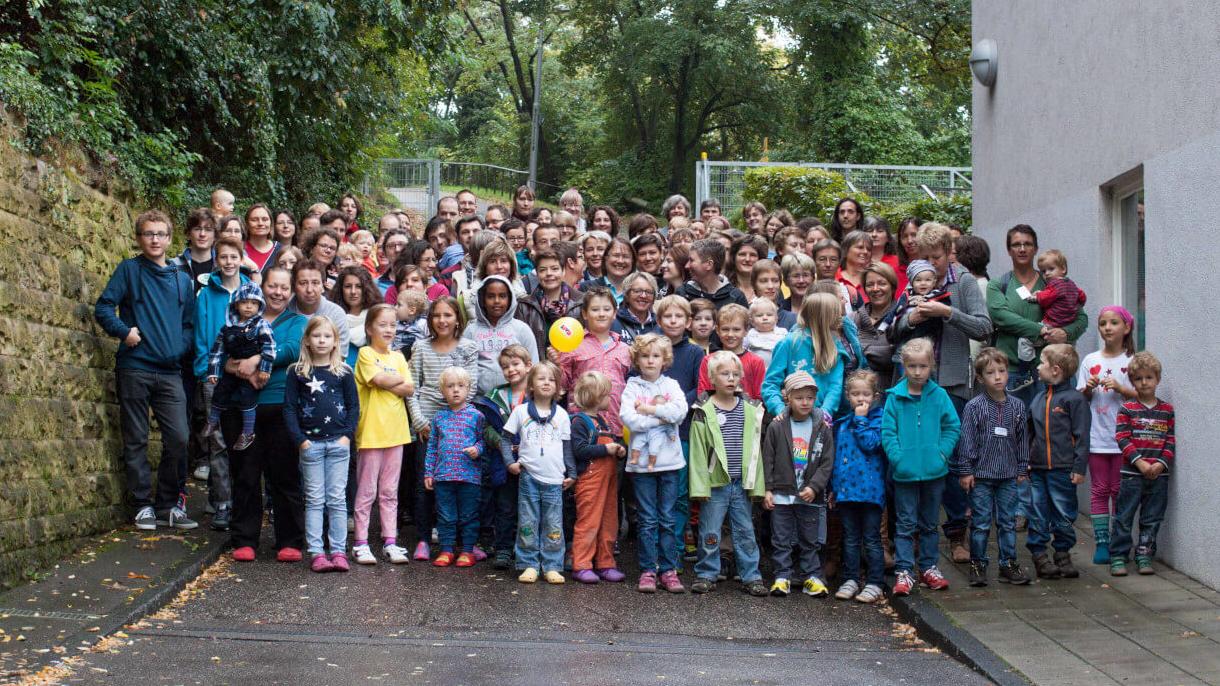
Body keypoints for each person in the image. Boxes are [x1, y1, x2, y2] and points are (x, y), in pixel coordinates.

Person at [94, 210, 196, 531]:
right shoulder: (130, 269)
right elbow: (103, 307)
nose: (155, 239)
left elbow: (189, 326)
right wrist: (125, 332)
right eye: (148, 234)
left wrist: (177, 349)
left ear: (170, 239)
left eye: (161, 234)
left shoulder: (182, 279)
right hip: (135, 367)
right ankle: (141, 505)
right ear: (139, 238)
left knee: (179, 438)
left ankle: (167, 504)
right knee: (136, 438)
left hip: (170, 372)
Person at [221, 266, 306, 562]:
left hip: (280, 406)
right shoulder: (237, 319)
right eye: (273, 286)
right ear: (261, 287)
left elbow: (292, 350)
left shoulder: (298, 321)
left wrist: (256, 358)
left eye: (284, 288)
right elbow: (223, 353)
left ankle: (290, 540)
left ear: (291, 291)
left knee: (284, 475)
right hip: (240, 406)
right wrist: (234, 367)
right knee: (245, 473)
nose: (278, 293)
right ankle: (245, 539)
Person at [882, 338, 961, 597]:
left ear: (931, 366)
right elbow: (888, 432)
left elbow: (952, 427)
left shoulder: (939, 396)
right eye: (912, 366)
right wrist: (898, 458)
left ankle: (928, 566)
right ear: (904, 366)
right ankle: (904, 570)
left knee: (929, 523)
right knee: (905, 524)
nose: (917, 372)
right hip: (904, 474)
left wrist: (941, 453)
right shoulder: (894, 398)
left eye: (923, 366)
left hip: (934, 473)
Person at [689, 351, 768, 596]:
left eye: (735, 374)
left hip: (741, 482)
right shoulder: (703, 410)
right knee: (710, 531)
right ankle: (706, 573)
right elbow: (698, 452)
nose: (731, 378)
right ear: (712, 378)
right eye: (724, 374)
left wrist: (757, 486)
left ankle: (751, 575)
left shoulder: (750, 409)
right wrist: (700, 487)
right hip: (715, 484)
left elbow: (756, 451)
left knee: (745, 531)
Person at [283, 317, 358, 573]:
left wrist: (347, 435)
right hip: (310, 445)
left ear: (336, 341)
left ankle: (338, 551)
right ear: (307, 340)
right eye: (317, 336)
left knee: (337, 499)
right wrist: (300, 441)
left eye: (327, 336)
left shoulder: (344, 372)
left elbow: (353, 406)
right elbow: (290, 408)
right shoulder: (297, 372)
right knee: (315, 499)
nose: (322, 341)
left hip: (339, 443)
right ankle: (317, 552)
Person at [407, 297, 479, 560]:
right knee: (425, 482)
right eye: (436, 315)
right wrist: (419, 422)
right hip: (427, 424)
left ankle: (462, 542)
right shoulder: (421, 348)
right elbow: (411, 388)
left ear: (458, 318)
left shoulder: (468, 348)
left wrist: (455, 419)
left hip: (459, 427)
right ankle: (424, 538)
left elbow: (470, 387)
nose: (442, 320)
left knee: (461, 484)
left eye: (448, 315)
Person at [987, 225, 1088, 407]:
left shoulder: (1055, 283)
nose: (1023, 249)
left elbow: (1082, 319)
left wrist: (1065, 333)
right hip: (1013, 373)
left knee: (1056, 431)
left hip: (1054, 371)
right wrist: (1041, 330)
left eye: (1028, 244)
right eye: (1017, 244)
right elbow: (1001, 316)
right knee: (1015, 431)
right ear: (1009, 250)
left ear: (1036, 249)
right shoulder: (998, 285)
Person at [955, 348, 1032, 587]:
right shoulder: (974, 407)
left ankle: (1008, 564)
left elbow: (1022, 439)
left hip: (1008, 475)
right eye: (991, 373)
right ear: (980, 378)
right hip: (981, 476)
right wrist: (966, 470)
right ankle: (978, 564)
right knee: (981, 523)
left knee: (1007, 522)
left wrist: (1022, 468)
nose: (998, 377)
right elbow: (966, 440)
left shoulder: (1018, 407)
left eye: (1002, 371)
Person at [620, 334, 688, 593]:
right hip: (642, 467)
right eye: (645, 356)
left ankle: (669, 569)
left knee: (668, 518)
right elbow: (629, 419)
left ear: (665, 359)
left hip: (670, 463)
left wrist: (648, 411)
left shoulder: (671, 385)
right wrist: (662, 419)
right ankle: (648, 569)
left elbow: (680, 412)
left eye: (656, 356)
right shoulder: (633, 387)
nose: (650, 360)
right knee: (647, 519)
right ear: (637, 359)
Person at [352, 304, 414, 565]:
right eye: (383, 324)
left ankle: (390, 540)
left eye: (392, 325)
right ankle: (361, 543)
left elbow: (409, 388)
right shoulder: (365, 354)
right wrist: (394, 381)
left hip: (396, 432)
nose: (389, 329)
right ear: (369, 328)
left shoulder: (399, 357)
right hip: (371, 432)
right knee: (367, 491)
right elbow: (378, 381)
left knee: (390, 491)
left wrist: (394, 381)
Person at [502, 362, 576, 584]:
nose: (546, 382)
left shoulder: (562, 415)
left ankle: (552, 565)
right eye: (541, 378)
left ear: (558, 387)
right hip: (529, 477)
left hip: (555, 479)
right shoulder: (521, 411)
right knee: (528, 520)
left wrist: (571, 473)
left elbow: (567, 447)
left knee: (553, 523)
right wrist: (509, 463)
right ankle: (529, 564)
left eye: (551, 379)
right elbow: (505, 439)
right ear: (531, 384)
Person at [763, 371, 835, 598]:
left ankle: (811, 576)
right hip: (782, 493)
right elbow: (768, 458)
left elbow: (827, 461)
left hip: (809, 494)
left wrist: (814, 487)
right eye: (799, 398)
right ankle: (782, 575)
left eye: (810, 398)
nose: (805, 403)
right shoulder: (778, 426)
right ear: (788, 398)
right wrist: (767, 489)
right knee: (781, 538)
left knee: (810, 538)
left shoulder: (822, 426)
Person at [1078, 305, 1137, 565]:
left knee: (1119, 490)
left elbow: (1144, 395)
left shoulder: (1133, 361)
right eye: (1103, 323)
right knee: (1100, 490)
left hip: (1125, 440)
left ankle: (1118, 541)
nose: (1108, 328)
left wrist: (1123, 389)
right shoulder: (1091, 360)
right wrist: (1088, 389)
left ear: (1127, 327)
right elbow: (1080, 399)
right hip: (1097, 437)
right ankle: (1102, 541)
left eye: (1114, 323)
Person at [1027, 343, 1090, 580]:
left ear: (1055, 370)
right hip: (1038, 469)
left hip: (1063, 470)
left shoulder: (1074, 400)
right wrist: (1025, 460)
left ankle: (1062, 553)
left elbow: (1083, 435)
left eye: (1041, 362)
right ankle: (1039, 555)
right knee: (1037, 512)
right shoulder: (1038, 399)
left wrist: (1079, 466)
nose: (1038, 366)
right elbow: (1028, 432)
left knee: (1063, 513)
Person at [1110, 351, 1175, 577]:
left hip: (1159, 476)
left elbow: (1170, 440)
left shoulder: (1167, 410)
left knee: (1152, 518)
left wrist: (1160, 464)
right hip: (1131, 474)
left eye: (1149, 377)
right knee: (1124, 516)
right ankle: (1118, 556)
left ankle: (1144, 555)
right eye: (1138, 378)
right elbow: (1122, 437)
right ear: (1132, 381)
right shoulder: (1127, 409)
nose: (1144, 382)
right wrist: (1140, 463)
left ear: (1157, 379)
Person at [830, 371, 887, 603]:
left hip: (870, 492)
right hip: (846, 492)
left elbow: (872, 444)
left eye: (865, 394)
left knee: (872, 539)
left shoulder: (879, 420)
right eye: (855, 394)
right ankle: (851, 578)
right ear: (847, 396)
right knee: (850, 537)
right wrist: (834, 488)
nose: (860, 399)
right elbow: (838, 458)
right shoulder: (842, 424)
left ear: (874, 396)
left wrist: (862, 420)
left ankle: (875, 582)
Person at [424, 366, 486, 568]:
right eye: (450, 386)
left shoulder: (476, 416)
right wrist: (429, 472)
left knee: (469, 515)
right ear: (442, 391)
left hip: (469, 476)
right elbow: (432, 446)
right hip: (443, 476)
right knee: (445, 514)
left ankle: (467, 550)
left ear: (469, 389)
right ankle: (447, 549)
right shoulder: (439, 417)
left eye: (461, 386)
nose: (456, 390)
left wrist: (477, 449)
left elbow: (483, 441)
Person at [569, 372, 628, 585]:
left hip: (609, 478)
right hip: (590, 478)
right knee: (589, 521)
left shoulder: (603, 421)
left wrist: (619, 451)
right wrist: (606, 448)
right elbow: (579, 450)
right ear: (594, 396)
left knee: (608, 521)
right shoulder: (579, 421)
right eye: (606, 395)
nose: (609, 398)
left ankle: (605, 562)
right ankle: (581, 564)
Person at [202, 282, 275, 451]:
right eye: (244, 302)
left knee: (246, 398)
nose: (249, 306)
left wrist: (264, 368)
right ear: (236, 304)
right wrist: (213, 371)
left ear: (260, 305)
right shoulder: (227, 328)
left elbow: (269, 348)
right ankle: (212, 421)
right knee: (220, 391)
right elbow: (217, 351)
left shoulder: (261, 325)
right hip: (232, 368)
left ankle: (248, 432)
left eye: (254, 303)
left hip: (251, 371)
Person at [481, 345, 534, 569]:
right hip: (503, 461)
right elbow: (485, 427)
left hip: (531, 461)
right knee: (504, 505)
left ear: (528, 365)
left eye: (515, 364)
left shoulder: (538, 394)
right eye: (505, 366)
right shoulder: (495, 395)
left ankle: (526, 549)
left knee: (529, 506)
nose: (510, 370)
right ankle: (502, 548)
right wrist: (501, 443)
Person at [762, 293, 848, 421]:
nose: (840, 318)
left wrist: (825, 413)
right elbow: (770, 383)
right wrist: (780, 410)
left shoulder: (836, 347)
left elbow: (835, 386)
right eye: (835, 314)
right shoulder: (790, 343)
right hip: (790, 419)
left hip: (822, 420)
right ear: (823, 317)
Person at [464, 275, 540, 395]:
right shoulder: (471, 331)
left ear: (510, 299)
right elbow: (463, 369)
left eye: (502, 296)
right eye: (490, 296)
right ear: (482, 300)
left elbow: (534, 366)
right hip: (480, 400)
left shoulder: (522, 329)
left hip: (516, 399)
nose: (497, 301)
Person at [1023, 249, 1086, 360]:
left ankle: (1026, 362)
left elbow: (1046, 298)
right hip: (1067, 325)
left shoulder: (1055, 285)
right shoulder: (1072, 284)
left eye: (1051, 269)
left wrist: (1036, 296)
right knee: (1067, 352)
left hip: (1051, 325)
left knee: (1025, 340)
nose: (1047, 273)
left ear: (1063, 269)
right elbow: (1082, 296)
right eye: (1043, 271)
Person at [696, 304, 766, 400]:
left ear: (746, 331)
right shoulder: (709, 360)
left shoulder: (756, 362)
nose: (730, 334)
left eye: (736, 329)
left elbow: (759, 396)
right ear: (717, 330)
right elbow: (703, 394)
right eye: (725, 329)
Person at [288, 261, 350, 359]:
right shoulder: (284, 310)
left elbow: (340, 356)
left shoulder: (336, 314)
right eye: (303, 283)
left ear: (323, 286)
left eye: (315, 283)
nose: (309, 289)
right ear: (294, 286)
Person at [851, 262, 899, 388]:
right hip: (855, 396)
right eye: (870, 285)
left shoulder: (901, 318)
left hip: (889, 395)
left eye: (882, 283)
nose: (875, 289)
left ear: (892, 287)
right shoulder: (853, 319)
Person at [674, 238, 747, 309]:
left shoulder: (736, 297)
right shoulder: (682, 293)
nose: (686, 266)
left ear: (709, 264)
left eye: (691, 260)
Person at [331, 266, 380, 367]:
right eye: (348, 286)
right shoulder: (332, 317)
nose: (353, 291)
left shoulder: (378, 316)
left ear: (367, 288)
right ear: (341, 289)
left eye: (359, 286)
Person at [174, 208, 218, 292]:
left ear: (215, 236)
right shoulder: (174, 267)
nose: (202, 234)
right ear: (188, 234)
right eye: (197, 229)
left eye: (208, 229)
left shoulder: (222, 267)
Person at [610, 272, 660, 345]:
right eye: (637, 291)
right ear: (626, 294)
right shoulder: (612, 322)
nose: (643, 296)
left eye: (649, 292)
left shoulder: (660, 324)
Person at [744, 298, 786, 368]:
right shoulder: (749, 335)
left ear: (776, 318)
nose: (765, 318)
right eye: (759, 315)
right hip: (756, 371)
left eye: (769, 315)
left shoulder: (783, 333)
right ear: (752, 321)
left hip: (779, 370)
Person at [243, 204, 279, 272]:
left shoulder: (280, 250)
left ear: (271, 223)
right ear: (247, 224)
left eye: (265, 219)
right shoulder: (239, 249)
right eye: (254, 220)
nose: (260, 223)